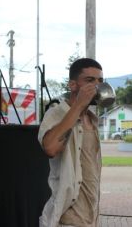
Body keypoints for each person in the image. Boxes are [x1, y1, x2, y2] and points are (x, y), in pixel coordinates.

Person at [38, 58, 104, 227]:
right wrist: (78, 105)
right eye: (90, 81)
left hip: (91, 216)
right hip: (66, 218)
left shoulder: (92, 119)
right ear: (73, 85)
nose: (96, 86)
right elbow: (50, 148)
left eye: (100, 81)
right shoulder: (55, 113)